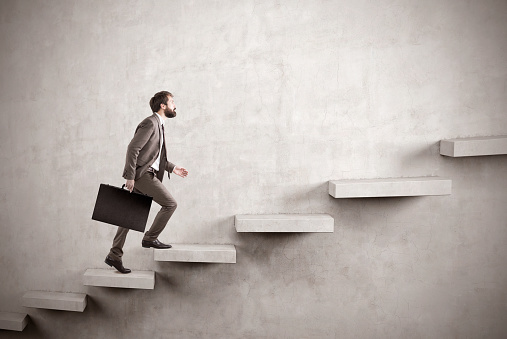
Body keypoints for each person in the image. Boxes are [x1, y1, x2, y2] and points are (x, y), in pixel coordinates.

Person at [105, 91, 188, 274]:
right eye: (172, 101)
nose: (175, 105)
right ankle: (150, 238)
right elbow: (133, 148)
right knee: (170, 204)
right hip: (142, 176)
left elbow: (153, 158)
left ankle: (114, 255)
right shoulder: (150, 123)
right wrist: (130, 176)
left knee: (128, 216)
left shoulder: (159, 125)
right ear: (163, 106)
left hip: (145, 173)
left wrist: (173, 168)